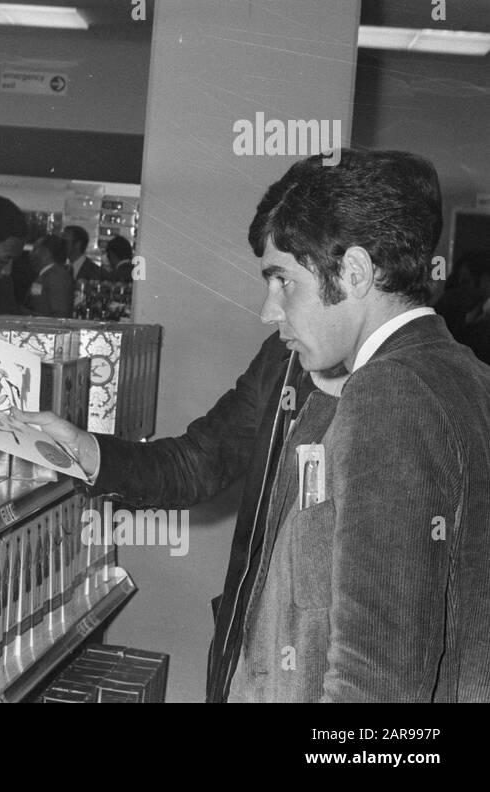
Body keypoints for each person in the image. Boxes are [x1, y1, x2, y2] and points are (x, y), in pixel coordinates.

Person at [25, 149, 490, 703]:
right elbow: (203, 457)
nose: (268, 310)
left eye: (283, 280)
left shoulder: (391, 392)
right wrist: (85, 451)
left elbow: (377, 682)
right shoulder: (461, 374)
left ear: (356, 272)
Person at [26, 234, 74, 318]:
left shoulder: (57, 277)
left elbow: (60, 314)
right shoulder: (49, 275)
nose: (30, 253)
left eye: (34, 249)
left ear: (45, 253)